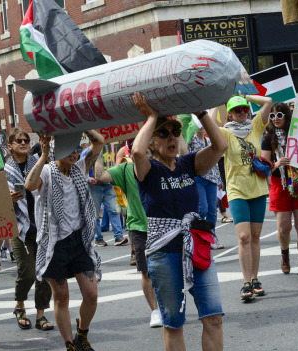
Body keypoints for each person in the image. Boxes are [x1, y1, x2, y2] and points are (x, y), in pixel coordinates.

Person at [131, 92, 227, 351]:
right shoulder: (147, 170)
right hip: (164, 254)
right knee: (174, 323)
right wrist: (151, 116)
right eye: (163, 134)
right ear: (152, 142)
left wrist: (201, 113)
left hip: (197, 247)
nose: (171, 137)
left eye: (175, 132)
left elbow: (220, 146)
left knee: (214, 317)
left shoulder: (187, 164)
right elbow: (136, 150)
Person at [25, 130, 104, 351]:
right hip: (54, 243)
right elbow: (29, 186)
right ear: (57, 150)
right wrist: (43, 155)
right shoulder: (48, 172)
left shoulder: (79, 169)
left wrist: (81, 124)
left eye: (77, 148)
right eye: (69, 148)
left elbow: (99, 142)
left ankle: (82, 334)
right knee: (62, 296)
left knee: (91, 294)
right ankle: (70, 344)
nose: (76, 152)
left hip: (79, 241)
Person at [95, 146, 162, 328]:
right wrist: (97, 148)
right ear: (131, 153)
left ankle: (167, 306)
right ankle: (155, 310)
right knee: (146, 272)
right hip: (138, 228)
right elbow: (100, 176)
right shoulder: (124, 169)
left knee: (166, 271)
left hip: (163, 226)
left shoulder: (160, 164)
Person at [220, 94, 272, 300]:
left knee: (256, 237)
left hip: (257, 189)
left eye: (244, 109)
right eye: (237, 110)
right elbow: (207, 128)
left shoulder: (255, 126)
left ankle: (255, 278)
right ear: (230, 114)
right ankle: (246, 283)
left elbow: (267, 102)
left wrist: (243, 95)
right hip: (236, 191)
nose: (242, 112)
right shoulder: (224, 133)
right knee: (244, 237)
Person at [4, 129, 53, 331]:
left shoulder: (39, 163)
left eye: (26, 140)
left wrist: (45, 153)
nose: (23, 143)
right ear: (10, 146)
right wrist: (7, 199)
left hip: (42, 224)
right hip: (19, 226)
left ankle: (41, 314)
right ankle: (20, 305)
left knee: (44, 271)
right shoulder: (3, 170)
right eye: (19, 140)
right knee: (28, 273)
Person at [262, 102, 298, 277]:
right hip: (280, 184)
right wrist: (277, 164)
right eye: (272, 115)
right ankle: (285, 255)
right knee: (283, 228)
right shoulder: (268, 136)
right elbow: (264, 165)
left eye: (279, 115)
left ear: (286, 116)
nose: (275, 119)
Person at [188, 124, 224, 250]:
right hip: (199, 178)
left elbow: (215, 160)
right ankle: (197, 234)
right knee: (202, 209)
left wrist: (219, 179)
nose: (201, 127)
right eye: (198, 125)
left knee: (212, 211)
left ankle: (211, 236)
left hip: (212, 179)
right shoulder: (191, 139)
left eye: (203, 125)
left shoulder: (209, 141)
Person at [84, 146, 128, 247]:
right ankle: (98, 238)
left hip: (108, 185)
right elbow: (81, 170)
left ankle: (119, 236)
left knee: (114, 210)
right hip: (94, 186)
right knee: (95, 214)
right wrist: (88, 179)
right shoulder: (87, 152)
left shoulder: (111, 149)